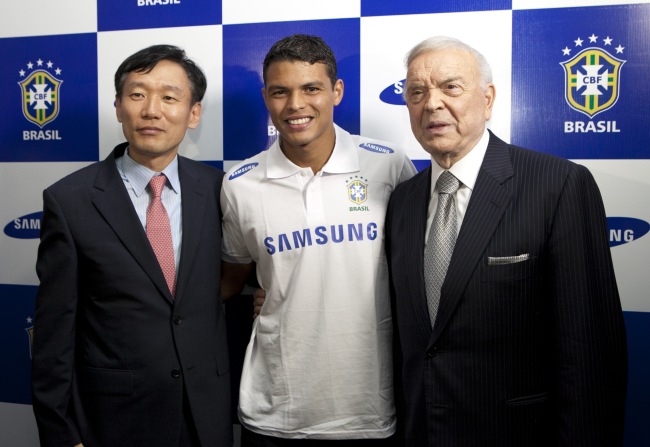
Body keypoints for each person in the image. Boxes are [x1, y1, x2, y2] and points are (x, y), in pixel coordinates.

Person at [385, 35, 628, 446]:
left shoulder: (559, 185)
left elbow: (590, 352)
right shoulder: (402, 200)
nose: (432, 104)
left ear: (489, 97)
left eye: (451, 87)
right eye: (416, 92)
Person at [32, 44, 232, 447]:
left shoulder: (220, 191)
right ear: (119, 107)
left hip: (205, 417)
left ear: (193, 114)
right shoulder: (70, 201)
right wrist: (62, 433)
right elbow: (54, 333)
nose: (152, 110)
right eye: (137, 95)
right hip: (114, 421)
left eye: (169, 97)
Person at [220, 34, 416, 445]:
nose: (295, 105)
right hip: (276, 412)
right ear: (266, 97)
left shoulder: (388, 164)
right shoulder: (239, 184)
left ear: (336, 91)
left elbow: (417, 269)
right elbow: (233, 278)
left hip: (371, 411)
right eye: (280, 92)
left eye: (311, 88)